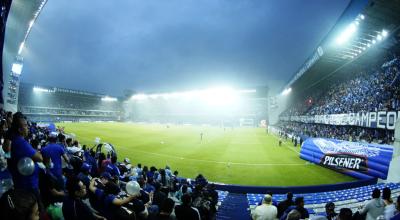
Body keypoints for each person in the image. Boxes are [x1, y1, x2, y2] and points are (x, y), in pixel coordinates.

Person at [8, 113, 43, 203]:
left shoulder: (16, 139)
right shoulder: (20, 142)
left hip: (23, 183)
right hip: (28, 186)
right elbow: (39, 158)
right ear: (19, 129)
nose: (28, 127)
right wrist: (37, 152)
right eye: (25, 125)